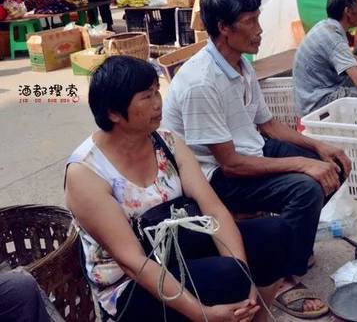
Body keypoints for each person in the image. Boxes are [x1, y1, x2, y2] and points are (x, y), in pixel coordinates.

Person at [162, 0, 351, 319]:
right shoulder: (201, 83)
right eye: (250, 22)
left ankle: (288, 246)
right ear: (223, 28)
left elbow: (267, 124)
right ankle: (281, 278)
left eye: (257, 18)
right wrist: (302, 166)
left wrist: (319, 146)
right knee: (306, 187)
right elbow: (230, 163)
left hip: (250, 150)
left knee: (334, 166)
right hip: (214, 175)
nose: (260, 30)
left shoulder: (240, 63)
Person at [65, 55, 292, 321]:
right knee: (227, 277)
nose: (157, 103)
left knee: (274, 234)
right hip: (130, 284)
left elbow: (214, 211)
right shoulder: (86, 173)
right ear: (113, 113)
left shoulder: (168, 143)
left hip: (176, 248)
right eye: (145, 97)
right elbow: (132, 261)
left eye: (156, 92)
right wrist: (202, 313)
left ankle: (254, 315)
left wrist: (245, 276)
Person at [293, 0, 357, 117]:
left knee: (354, 79)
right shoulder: (334, 38)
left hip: (308, 98)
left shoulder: (325, 26)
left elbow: (348, 56)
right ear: (348, 12)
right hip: (316, 104)